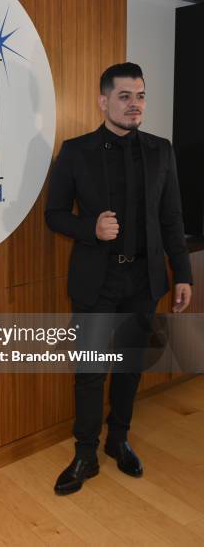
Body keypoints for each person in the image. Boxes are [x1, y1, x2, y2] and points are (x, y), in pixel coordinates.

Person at [45, 62, 192, 495]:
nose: (134, 104)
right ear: (103, 101)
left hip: (144, 281)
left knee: (130, 367)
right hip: (97, 280)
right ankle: (85, 452)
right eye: (125, 96)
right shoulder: (75, 151)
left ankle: (118, 440)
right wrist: (89, 228)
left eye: (141, 95)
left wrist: (181, 272)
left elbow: (171, 218)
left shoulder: (161, 150)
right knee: (90, 371)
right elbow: (54, 215)